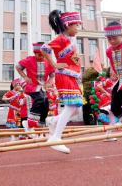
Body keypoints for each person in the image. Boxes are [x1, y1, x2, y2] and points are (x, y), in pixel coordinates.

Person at [41, 10, 83, 154]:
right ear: (67, 25)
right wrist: (54, 64)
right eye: (76, 25)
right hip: (64, 75)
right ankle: (56, 138)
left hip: (71, 76)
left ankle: (53, 121)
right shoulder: (61, 39)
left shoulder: (70, 39)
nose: (78, 28)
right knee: (71, 107)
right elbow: (44, 48)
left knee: (76, 109)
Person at [16, 42, 55, 128]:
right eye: (39, 55)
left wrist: (49, 82)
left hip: (43, 88)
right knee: (40, 98)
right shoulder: (29, 60)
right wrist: (25, 77)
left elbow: (52, 75)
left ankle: (41, 122)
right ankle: (30, 121)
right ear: (35, 53)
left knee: (45, 103)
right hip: (32, 86)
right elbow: (18, 67)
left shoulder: (48, 62)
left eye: (43, 55)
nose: (41, 57)